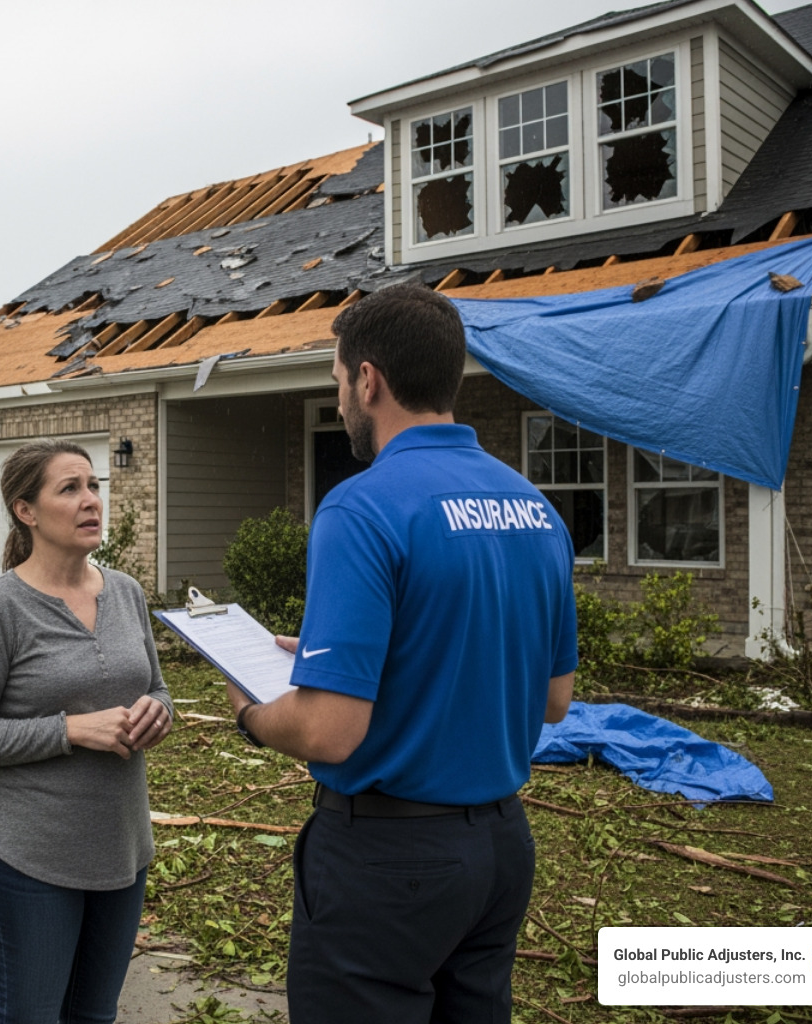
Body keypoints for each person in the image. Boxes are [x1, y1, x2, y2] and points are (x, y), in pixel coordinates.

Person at [223, 286, 577, 1024]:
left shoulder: (362, 505)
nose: (341, 396)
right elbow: (553, 700)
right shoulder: (532, 506)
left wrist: (253, 712)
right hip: (501, 849)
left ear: (369, 379)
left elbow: (329, 731)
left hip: (388, 861)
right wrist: (337, 659)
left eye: (337, 380)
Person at [0, 438, 174, 1024]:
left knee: (95, 1016)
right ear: (26, 511)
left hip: (122, 849)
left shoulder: (126, 592)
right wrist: (70, 729)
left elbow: (159, 689)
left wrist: (158, 714)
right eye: (70, 489)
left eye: (94, 486)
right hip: (30, 858)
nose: (91, 500)